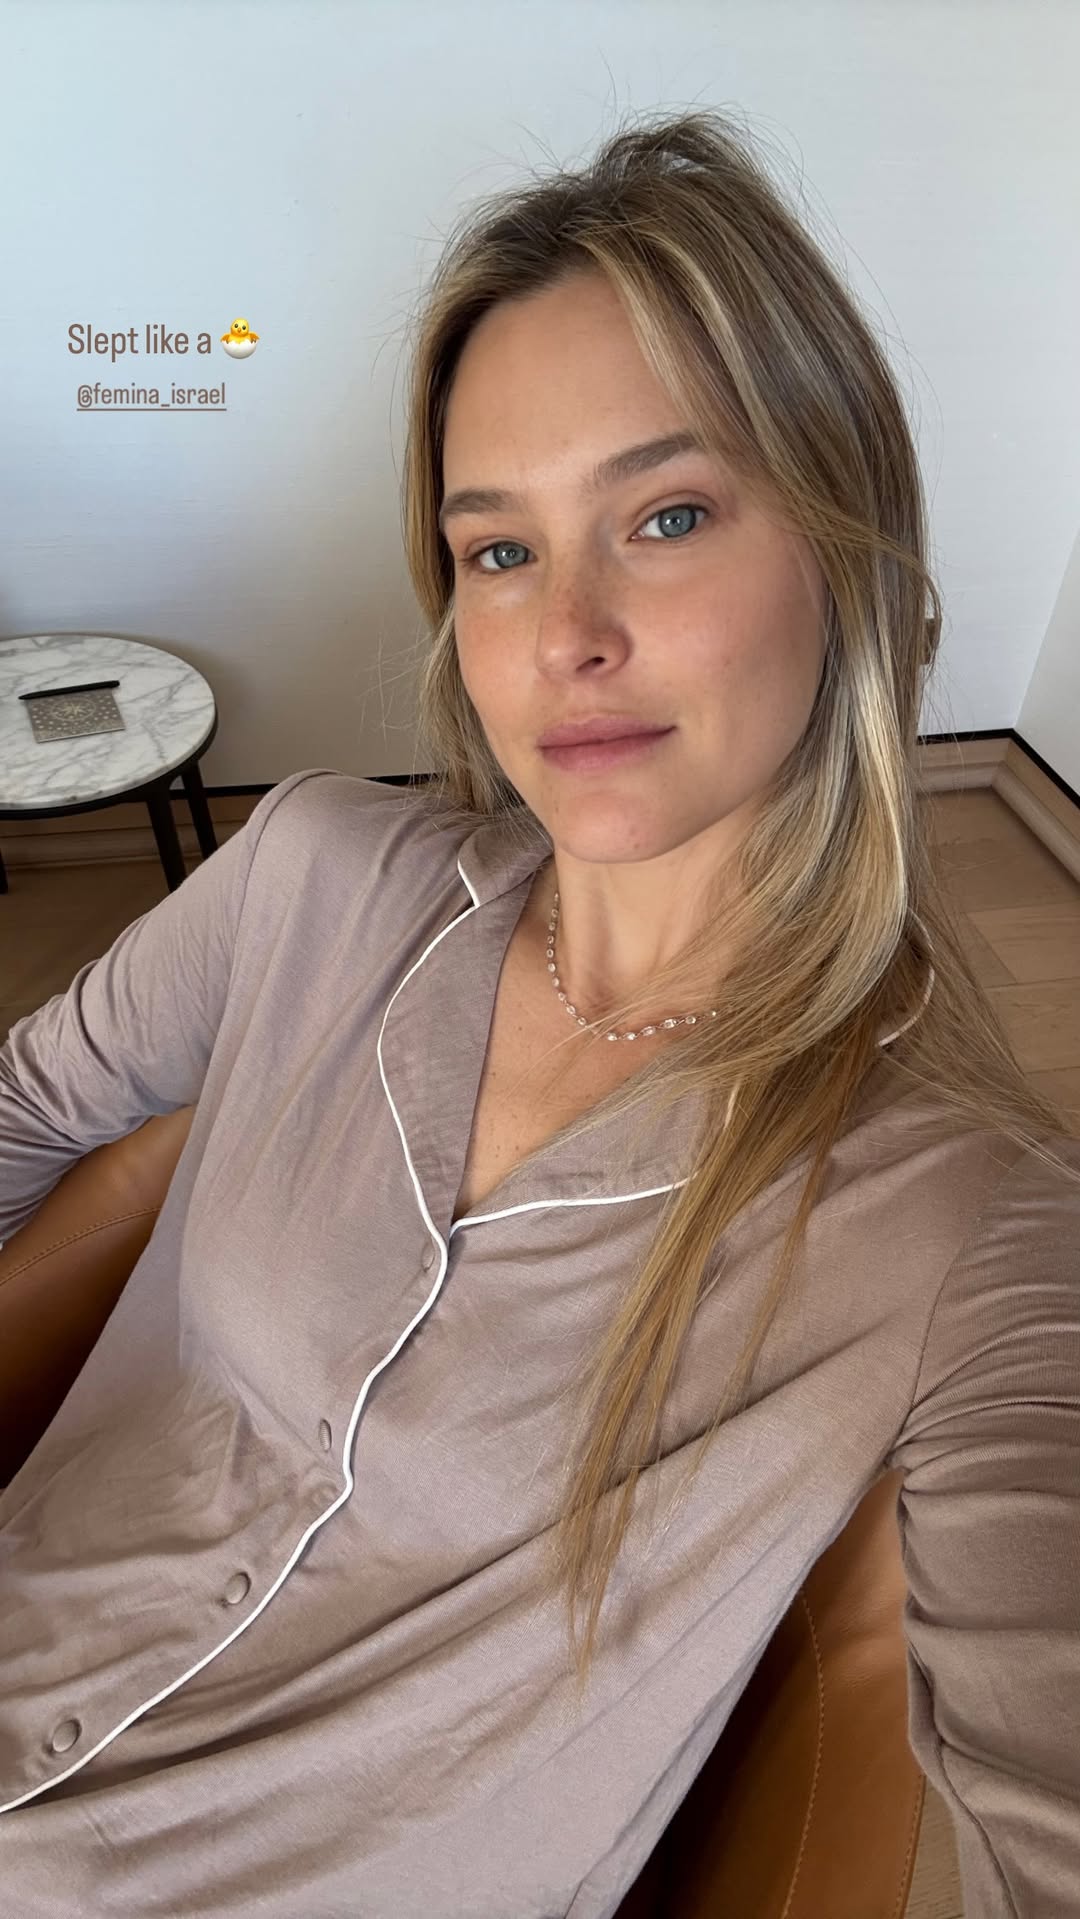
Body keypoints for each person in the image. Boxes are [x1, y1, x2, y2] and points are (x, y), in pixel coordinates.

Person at [1, 106, 1078, 1918]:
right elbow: (27, 1110)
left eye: (667, 517)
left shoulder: (976, 1236)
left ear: (848, 546)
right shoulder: (310, 875)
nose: (564, 634)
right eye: (498, 550)